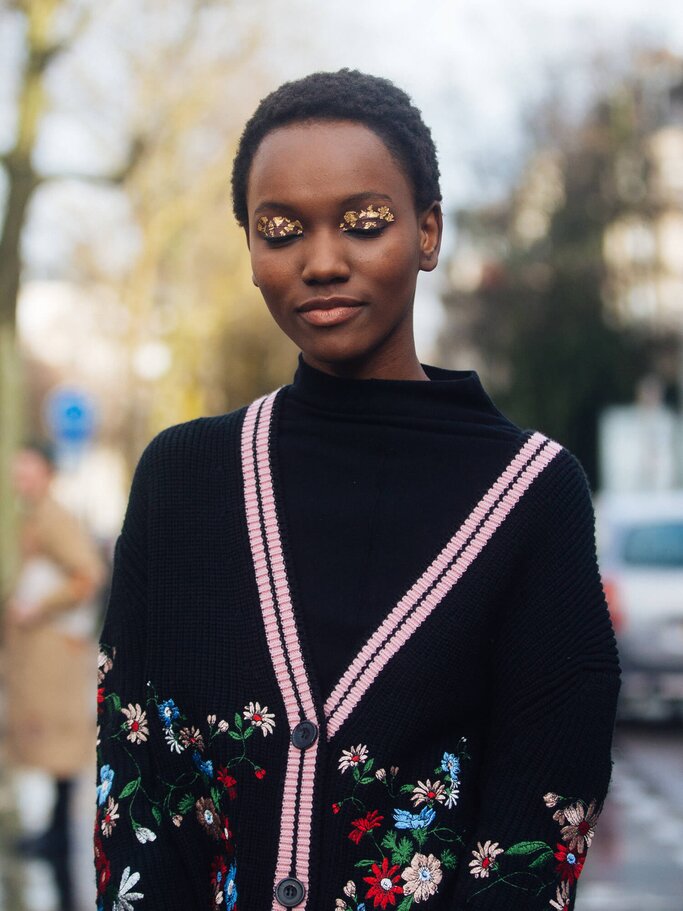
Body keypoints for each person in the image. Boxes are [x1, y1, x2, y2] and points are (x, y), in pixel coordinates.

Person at [95, 70, 620, 911]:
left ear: (427, 232)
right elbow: (140, 794)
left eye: (363, 221)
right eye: (280, 229)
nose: (323, 260)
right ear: (252, 253)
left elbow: (540, 814)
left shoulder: (532, 494)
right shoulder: (182, 479)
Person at [4, 441, 103, 871]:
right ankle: (54, 829)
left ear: (45, 472)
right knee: (50, 737)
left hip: (55, 654)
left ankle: (60, 835)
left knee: (60, 737)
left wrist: (37, 606)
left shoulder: (54, 518)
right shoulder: (36, 515)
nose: (19, 479)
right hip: (43, 652)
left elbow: (89, 574)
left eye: (26, 470)